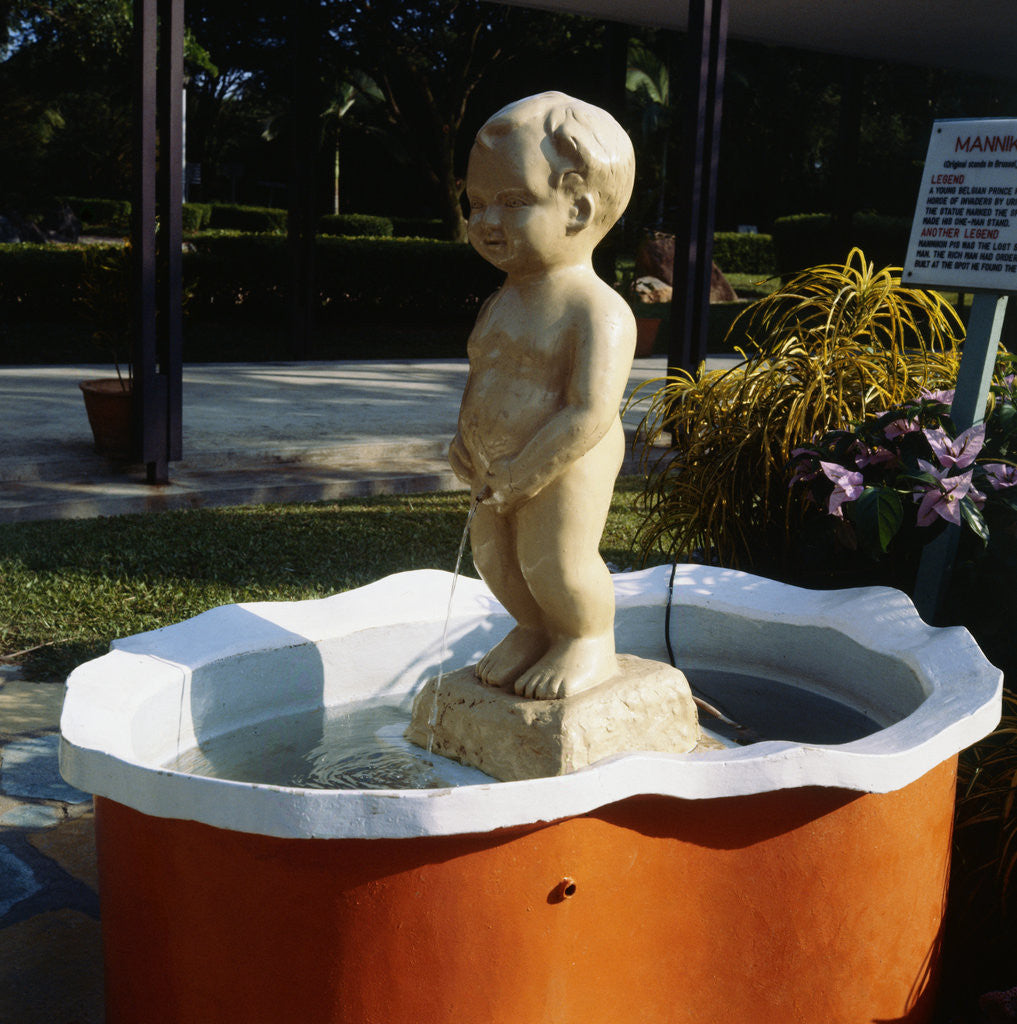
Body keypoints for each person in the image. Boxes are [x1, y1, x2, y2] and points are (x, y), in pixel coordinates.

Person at [448, 92, 637, 700]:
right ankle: (533, 628)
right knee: (494, 557)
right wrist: (464, 440)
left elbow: (589, 411)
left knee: (555, 559)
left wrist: (529, 469)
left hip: (565, 457)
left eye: (512, 202)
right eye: (476, 204)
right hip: (492, 461)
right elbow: (484, 374)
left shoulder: (596, 308)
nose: (486, 222)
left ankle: (586, 637)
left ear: (578, 207)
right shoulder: (500, 303)